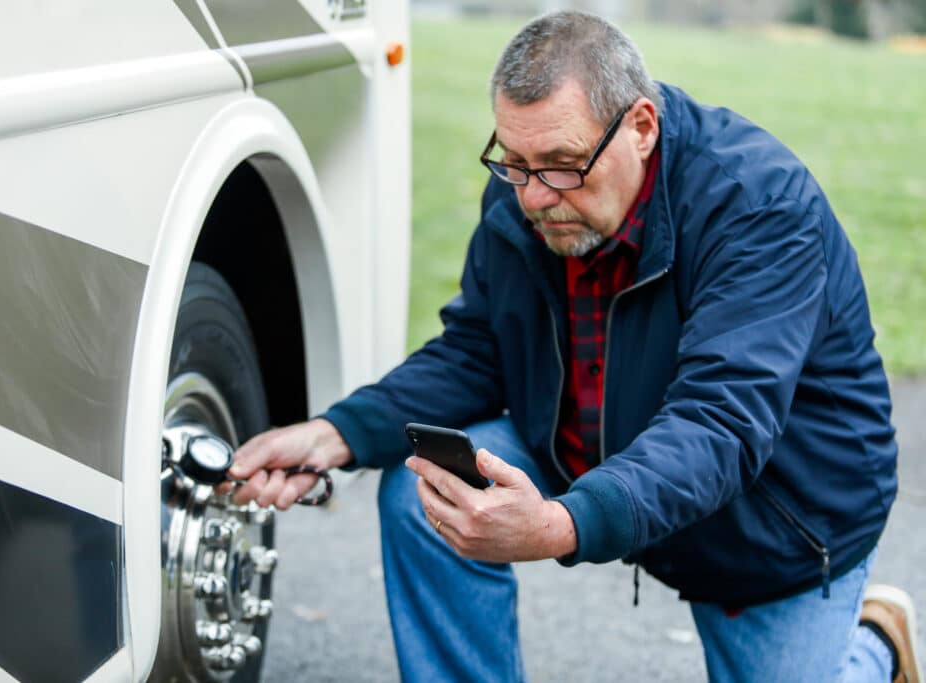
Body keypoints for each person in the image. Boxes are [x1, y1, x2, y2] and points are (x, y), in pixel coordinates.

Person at [223, 11, 921, 682]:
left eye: (560, 165)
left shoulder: (758, 207)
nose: (532, 198)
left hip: (767, 512)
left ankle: (874, 645)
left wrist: (561, 523)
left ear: (641, 127)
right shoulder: (527, 190)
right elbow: (478, 349)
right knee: (423, 491)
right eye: (513, 161)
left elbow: (721, 423)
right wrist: (334, 432)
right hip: (594, 445)